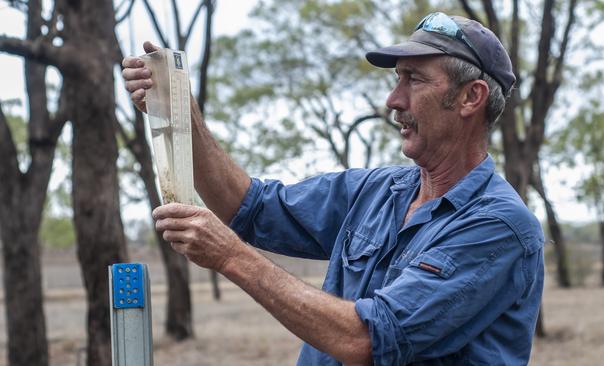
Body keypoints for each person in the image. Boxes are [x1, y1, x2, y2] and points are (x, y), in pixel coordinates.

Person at [122, 12, 544, 366]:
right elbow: (251, 208)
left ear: (471, 97)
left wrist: (231, 256)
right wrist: (182, 112)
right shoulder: (377, 191)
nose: (393, 100)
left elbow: (369, 338)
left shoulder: (499, 228)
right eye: (397, 80)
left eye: (413, 80)